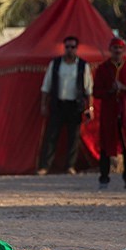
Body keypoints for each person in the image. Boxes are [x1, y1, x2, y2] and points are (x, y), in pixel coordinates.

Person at [93, 37, 126, 190]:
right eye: (114, 48)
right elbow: (96, 92)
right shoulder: (103, 69)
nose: (117, 51)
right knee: (106, 146)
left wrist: (125, 88)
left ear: (123, 51)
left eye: (119, 49)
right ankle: (104, 178)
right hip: (109, 113)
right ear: (110, 50)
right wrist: (110, 90)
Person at [36, 35, 93, 176]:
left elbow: (89, 89)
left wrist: (90, 108)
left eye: (72, 47)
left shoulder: (83, 66)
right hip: (58, 104)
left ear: (77, 48)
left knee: (73, 137)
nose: (69, 50)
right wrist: (43, 105)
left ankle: (70, 166)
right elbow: (46, 86)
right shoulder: (55, 64)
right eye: (67, 47)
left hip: (75, 105)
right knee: (51, 136)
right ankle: (45, 166)